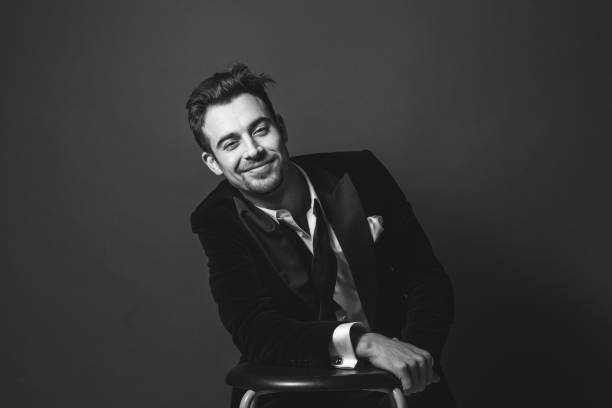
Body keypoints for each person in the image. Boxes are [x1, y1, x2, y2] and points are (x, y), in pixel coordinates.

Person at [186, 63, 455, 408]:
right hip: (294, 391)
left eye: (260, 129)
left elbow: (426, 279)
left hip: (400, 385)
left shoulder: (361, 173)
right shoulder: (217, 219)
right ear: (212, 162)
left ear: (281, 128)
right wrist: (365, 343)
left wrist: (417, 359)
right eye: (230, 143)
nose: (252, 150)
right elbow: (255, 329)